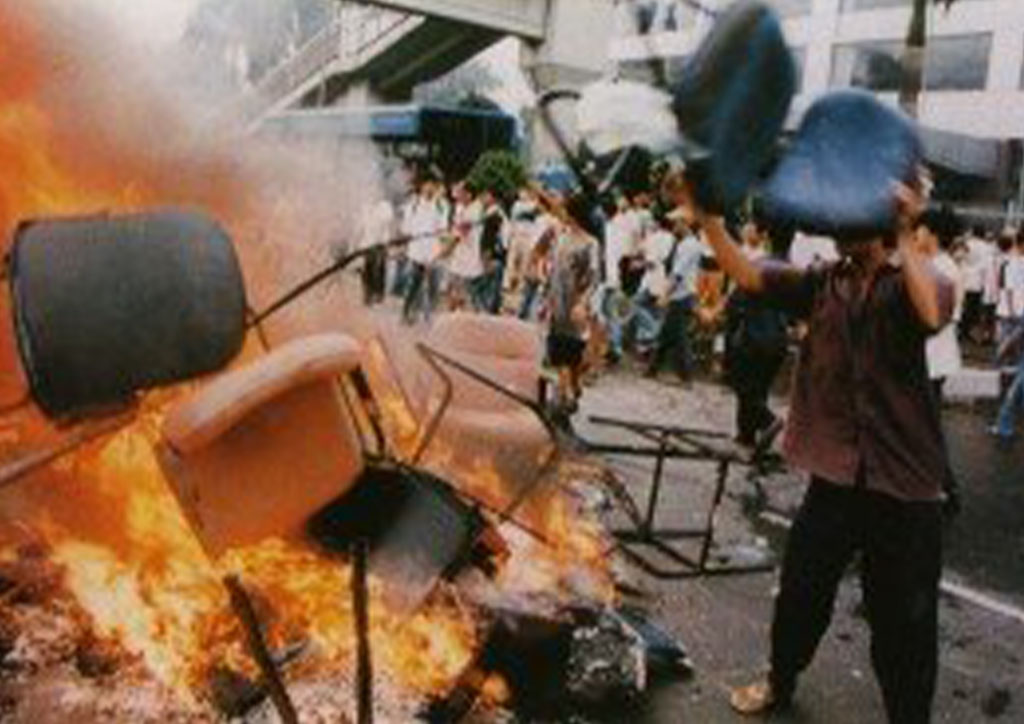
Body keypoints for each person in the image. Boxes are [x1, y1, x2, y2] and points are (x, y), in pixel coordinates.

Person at [665, 166, 954, 723]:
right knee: (800, 593)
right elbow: (748, 273)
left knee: (905, 624)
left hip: (905, 487)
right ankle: (780, 681)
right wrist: (708, 218)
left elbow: (932, 313)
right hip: (835, 480)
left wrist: (904, 231)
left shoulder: (917, 279)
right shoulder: (822, 284)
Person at [724, 210, 791, 448]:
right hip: (778, 339)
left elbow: (735, 302)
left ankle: (768, 420)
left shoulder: (758, 267)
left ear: (767, 236)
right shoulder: (793, 269)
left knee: (743, 387)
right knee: (758, 389)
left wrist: (729, 327)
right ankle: (746, 435)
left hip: (754, 336)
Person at [645, 206, 704, 382]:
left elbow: (678, 274)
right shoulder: (684, 244)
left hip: (682, 295)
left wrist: (665, 294)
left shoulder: (689, 246)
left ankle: (685, 376)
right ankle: (653, 369)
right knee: (667, 334)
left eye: (676, 222)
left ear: (685, 224)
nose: (673, 225)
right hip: (680, 295)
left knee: (679, 337)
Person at [917, 207, 964, 401]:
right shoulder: (933, 263)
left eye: (919, 229)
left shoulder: (943, 268)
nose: (915, 234)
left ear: (932, 234)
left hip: (931, 356)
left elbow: (939, 316)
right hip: (929, 356)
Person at [357, 195, 394, 306]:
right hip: (367, 244)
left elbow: (387, 225)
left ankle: (378, 293)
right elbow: (360, 227)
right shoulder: (364, 207)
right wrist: (358, 244)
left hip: (380, 244)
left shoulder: (385, 206)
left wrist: (385, 244)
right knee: (367, 270)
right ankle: (368, 295)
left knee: (378, 269)